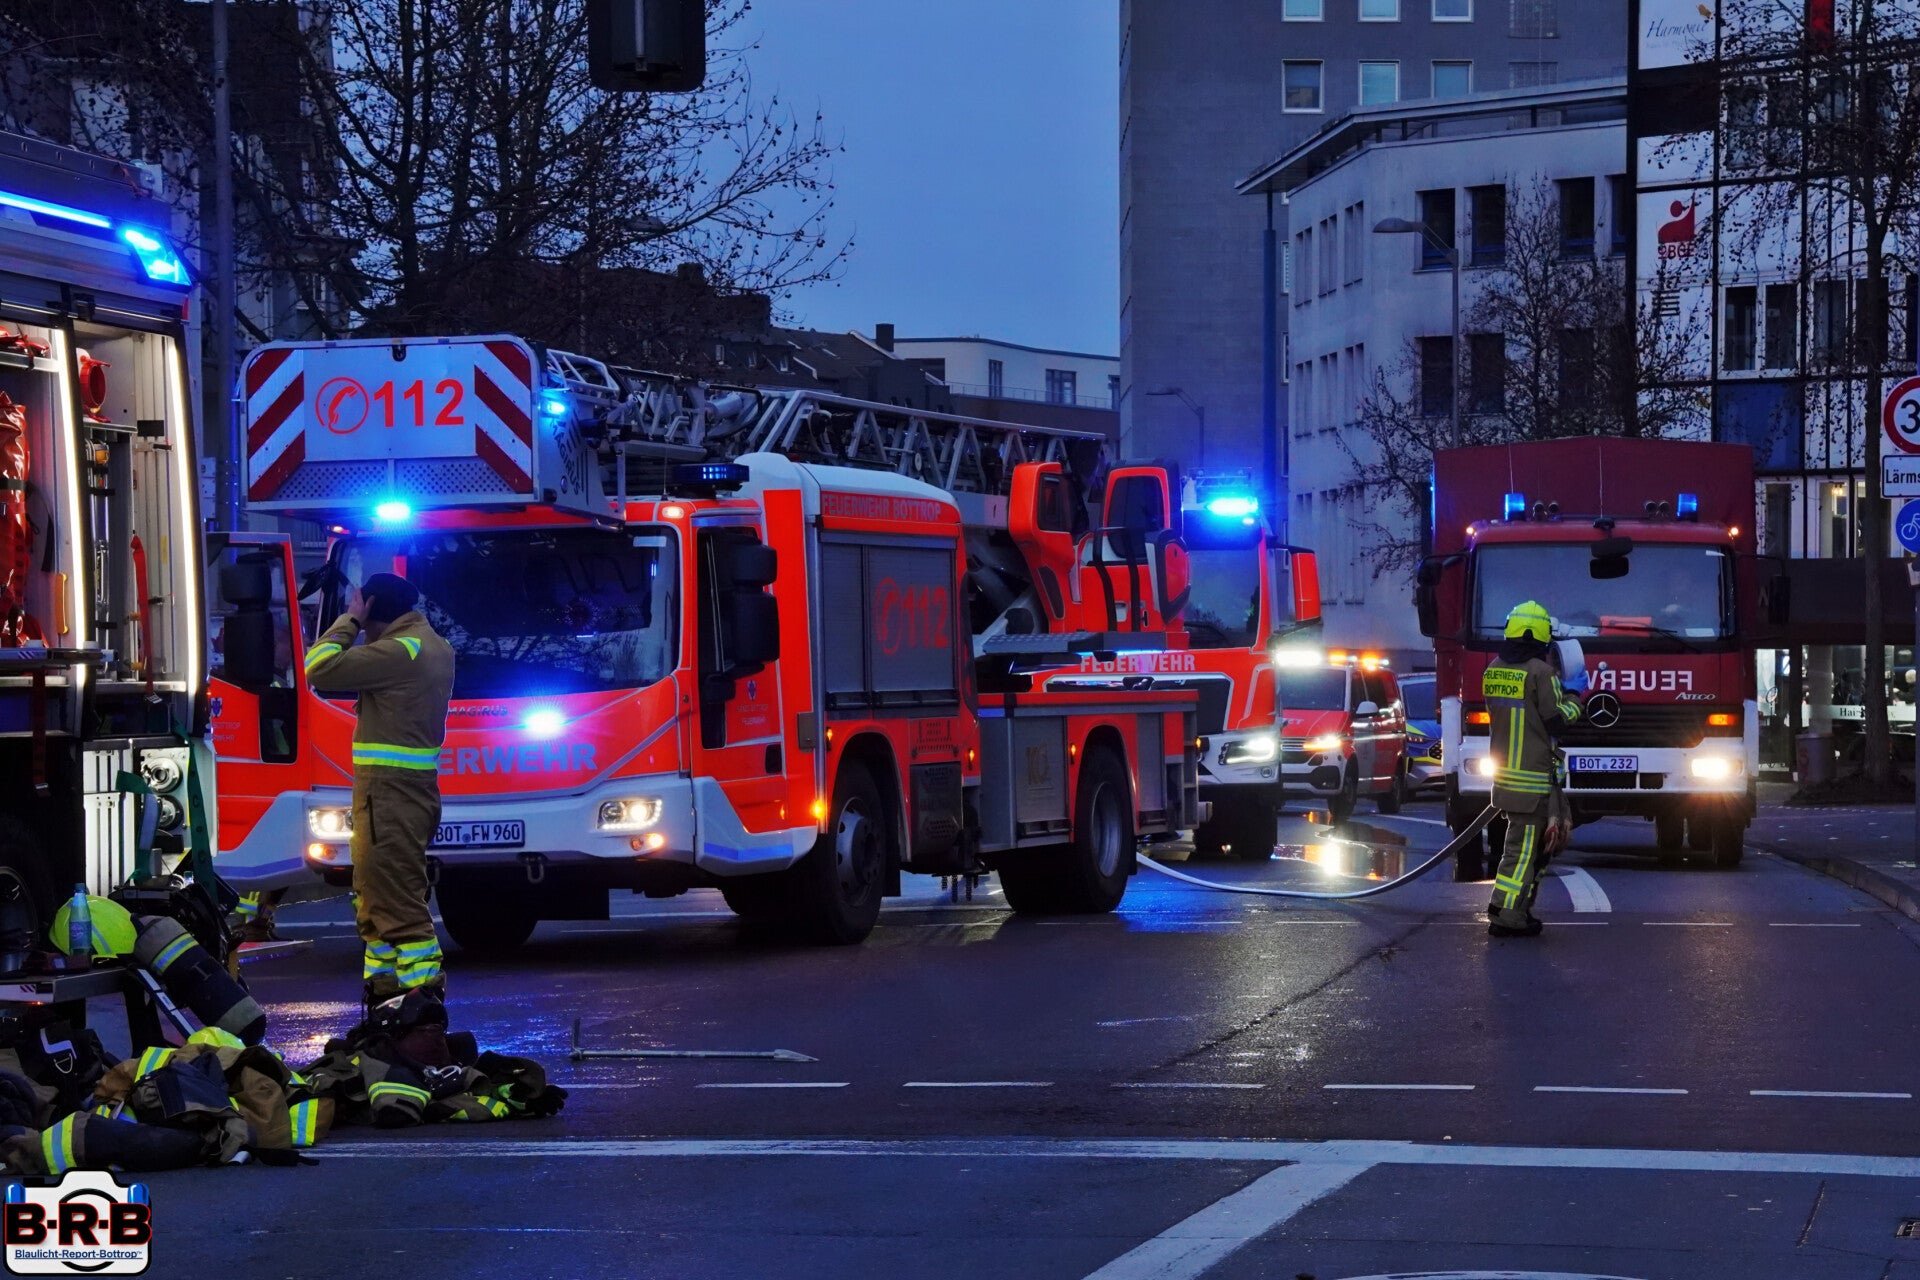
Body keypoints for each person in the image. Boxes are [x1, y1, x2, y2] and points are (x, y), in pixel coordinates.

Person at [304, 573, 455, 1001]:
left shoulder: (400, 651)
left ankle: (421, 1007)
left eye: (358, 602)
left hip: (389, 796)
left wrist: (349, 620)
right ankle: (387, 1000)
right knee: (377, 899)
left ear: (370, 606)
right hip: (403, 794)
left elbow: (318, 668)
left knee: (398, 905)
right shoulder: (430, 645)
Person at [1481, 600, 1584, 938]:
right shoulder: (1541, 673)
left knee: (1532, 849)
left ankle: (1518, 908)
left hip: (1507, 778)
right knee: (1523, 852)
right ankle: (1506, 914)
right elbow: (1556, 721)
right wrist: (1575, 699)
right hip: (1535, 779)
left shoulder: (1493, 669)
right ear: (1541, 637)